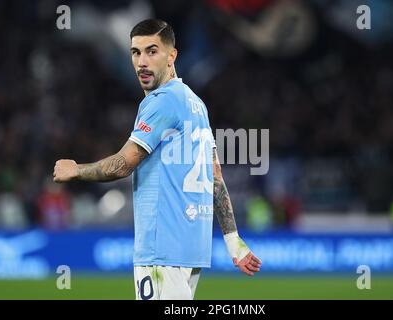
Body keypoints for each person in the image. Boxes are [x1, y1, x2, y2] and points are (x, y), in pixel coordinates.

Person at [53, 18, 261, 300]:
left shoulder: (160, 101)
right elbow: (216, 179)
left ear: (171, 55)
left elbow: (124, 164)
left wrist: (76, 170)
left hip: (162, 248)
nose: (142, 62)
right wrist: (233, 241)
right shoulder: (196, 104)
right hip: (191, 250)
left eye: (152, 51)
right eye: (135, 52)